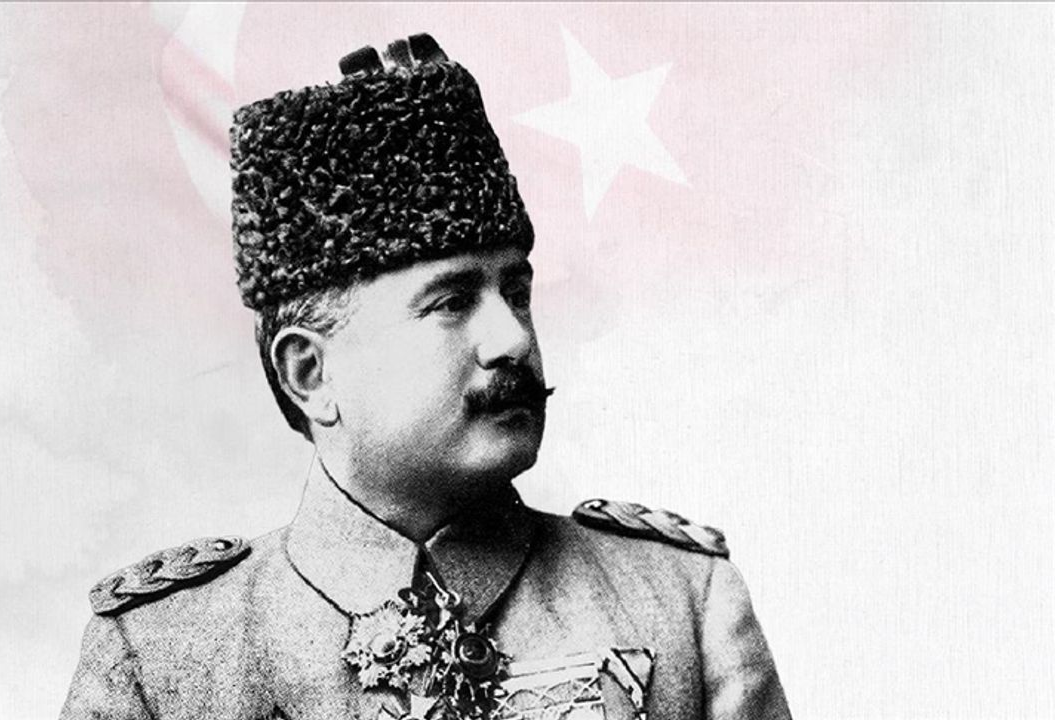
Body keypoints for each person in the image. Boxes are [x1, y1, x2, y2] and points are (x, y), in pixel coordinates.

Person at [59, 34, 791, 720]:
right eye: (451, 303)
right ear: (311, 373)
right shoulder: (162, 657)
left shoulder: (680, 604)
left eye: (517, 293)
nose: (514, 338)